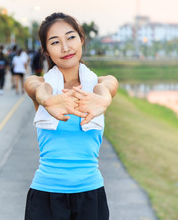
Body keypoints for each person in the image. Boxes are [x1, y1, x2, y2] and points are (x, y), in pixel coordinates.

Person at [24, 12, 119, 220]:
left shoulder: (95, 85)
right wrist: (46, 100)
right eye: (55, 42)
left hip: (90, 196)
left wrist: (104, 97)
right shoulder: (45, 87)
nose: (65, 47)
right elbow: (31, 84)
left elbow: (110, 82)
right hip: (45, 197)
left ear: (81, 39)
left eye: (71, 37)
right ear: (46, 51)